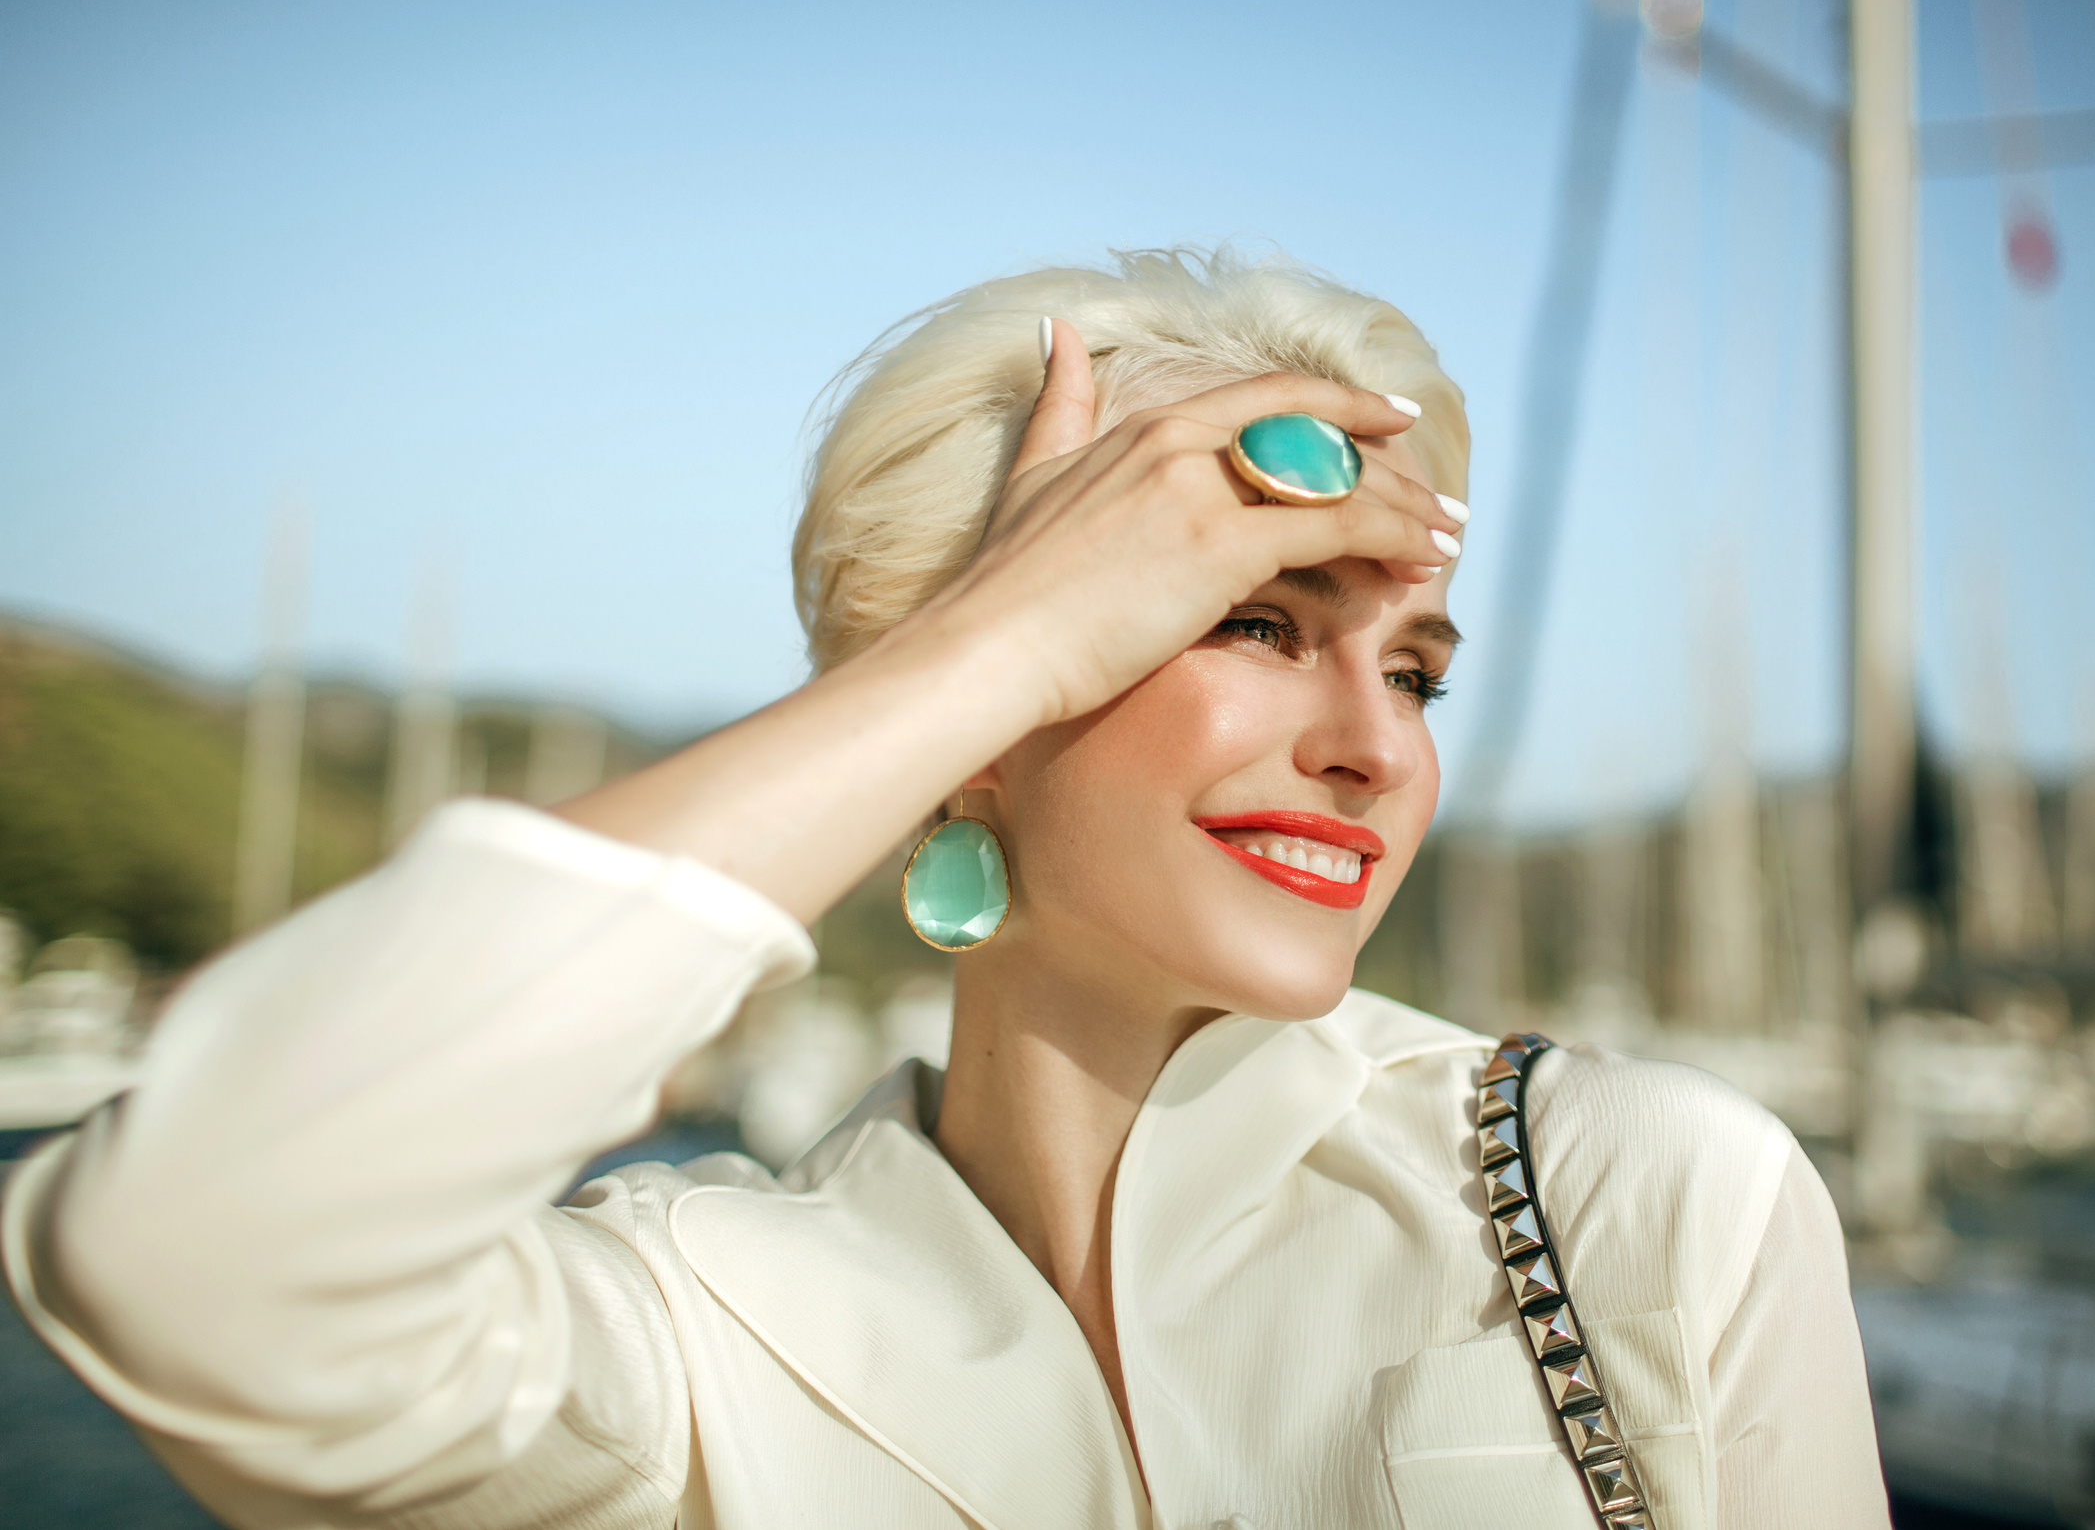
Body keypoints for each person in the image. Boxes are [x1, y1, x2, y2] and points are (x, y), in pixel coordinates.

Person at [3, 249, 1887, 1528]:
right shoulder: (694, 1340)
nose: (1377, 748)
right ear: (976, 708)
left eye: (1415, 670)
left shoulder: (1637, 1195)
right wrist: (993, 649)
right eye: (1251, 621)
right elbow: (183, 1241)